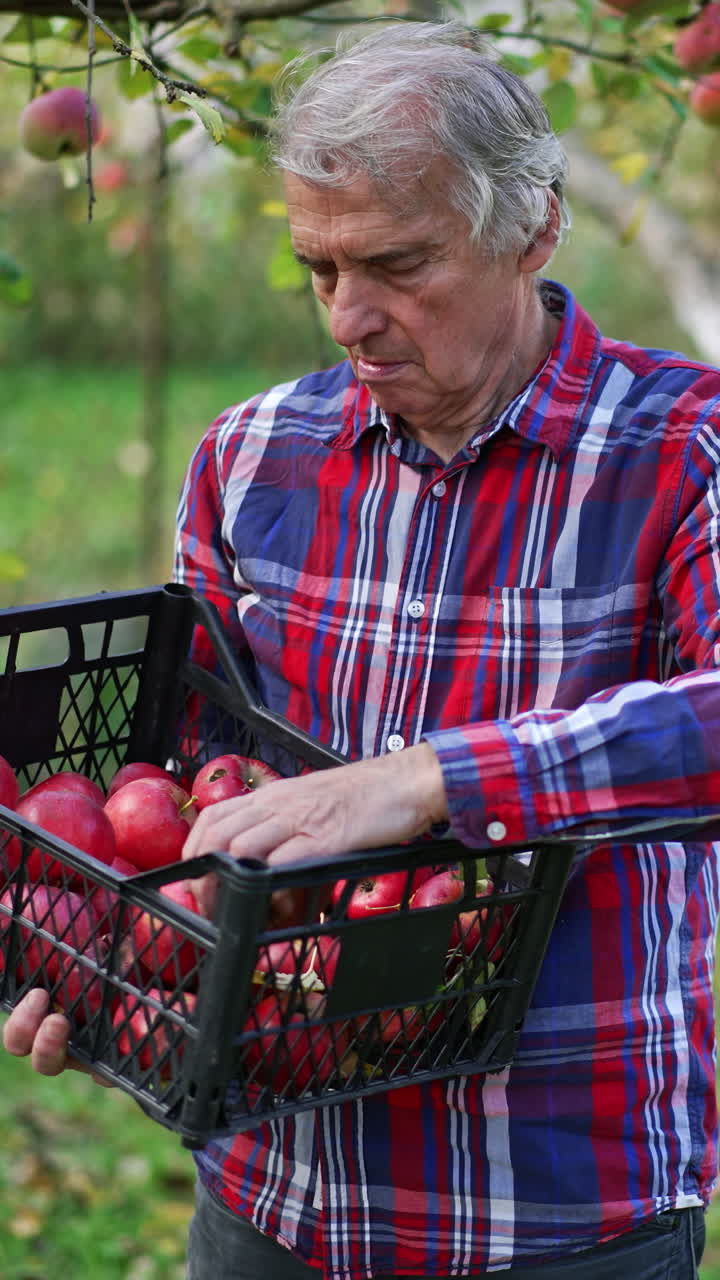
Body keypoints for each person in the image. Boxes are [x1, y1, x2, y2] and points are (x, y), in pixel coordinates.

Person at [4, 18, 720, 1278]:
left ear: (534, 228)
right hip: (277, 1189)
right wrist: (108, 961)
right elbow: (185, 787)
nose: (351, 313)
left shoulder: (678, 452)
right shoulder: (253, 456)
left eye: (397, 263)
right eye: (319, 266)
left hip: (551, 1201)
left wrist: (433, 777)